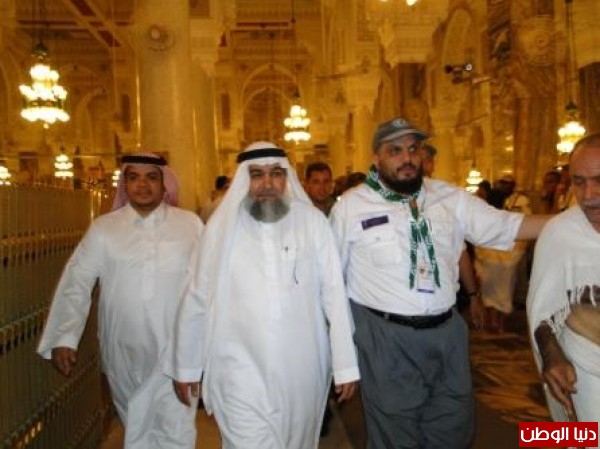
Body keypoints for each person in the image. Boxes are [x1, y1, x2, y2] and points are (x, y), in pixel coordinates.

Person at [329, 117, 547, 449]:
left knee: (453, 427)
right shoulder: (352, 207)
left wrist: (577, 220)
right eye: (395, 150)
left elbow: (506, 226)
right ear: (376, 158)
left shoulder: (449, 198)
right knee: (395, 436)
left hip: (447, 334)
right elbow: (333, 284)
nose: (407, 158)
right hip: (386, 339)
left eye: (413, 148)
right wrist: (342, 360)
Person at [167, 141, 360, 449]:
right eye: (257, 174)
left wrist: (345, 364)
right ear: (245, 180)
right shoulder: (221, 228)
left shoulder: (312, 223)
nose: (267, 184)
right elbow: (197, 296)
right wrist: (186, 364)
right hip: (238, 370)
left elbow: (334, 296)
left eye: (276, 174)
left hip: (302, 369)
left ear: (287, 179)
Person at [37, 153, 204, 448]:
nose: (142, 185)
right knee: (135, 422)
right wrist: (65, 335)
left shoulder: (190, 225)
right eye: (134, 177)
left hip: (177, 347)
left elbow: (207, 284)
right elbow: (77, 281)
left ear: (164, 183)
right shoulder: (104, 228)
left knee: (176, 427)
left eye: (151, 177)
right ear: (124, 183)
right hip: (122, 348)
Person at [527, 132, 600, 423]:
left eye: (599, 180)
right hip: (587, 368)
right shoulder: (559, 233)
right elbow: (542, 312)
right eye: (579, 182)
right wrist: (552, 355)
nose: (588, 195)